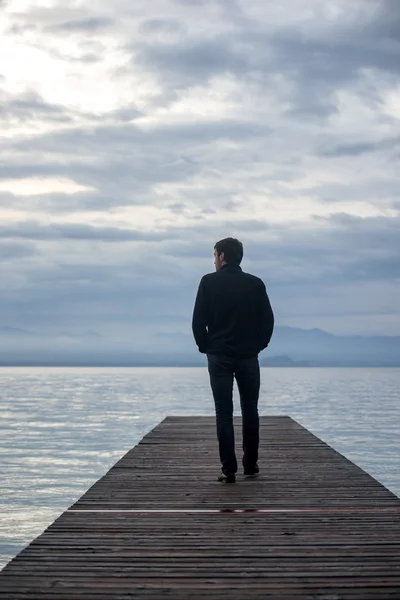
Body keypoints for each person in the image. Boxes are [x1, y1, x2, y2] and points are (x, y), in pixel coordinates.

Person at [192, 237, 274, 483]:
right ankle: (250, 465)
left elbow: (198, 322)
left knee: (223, 411)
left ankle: (229, 469)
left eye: (215, 255)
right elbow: (267, 322)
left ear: (222, 256)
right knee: (250, 409)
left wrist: (206, 346)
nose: (214, 260)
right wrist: (258, 345)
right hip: (248, 356)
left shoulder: (208, 282)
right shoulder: (255, 284)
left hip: (219, 357)